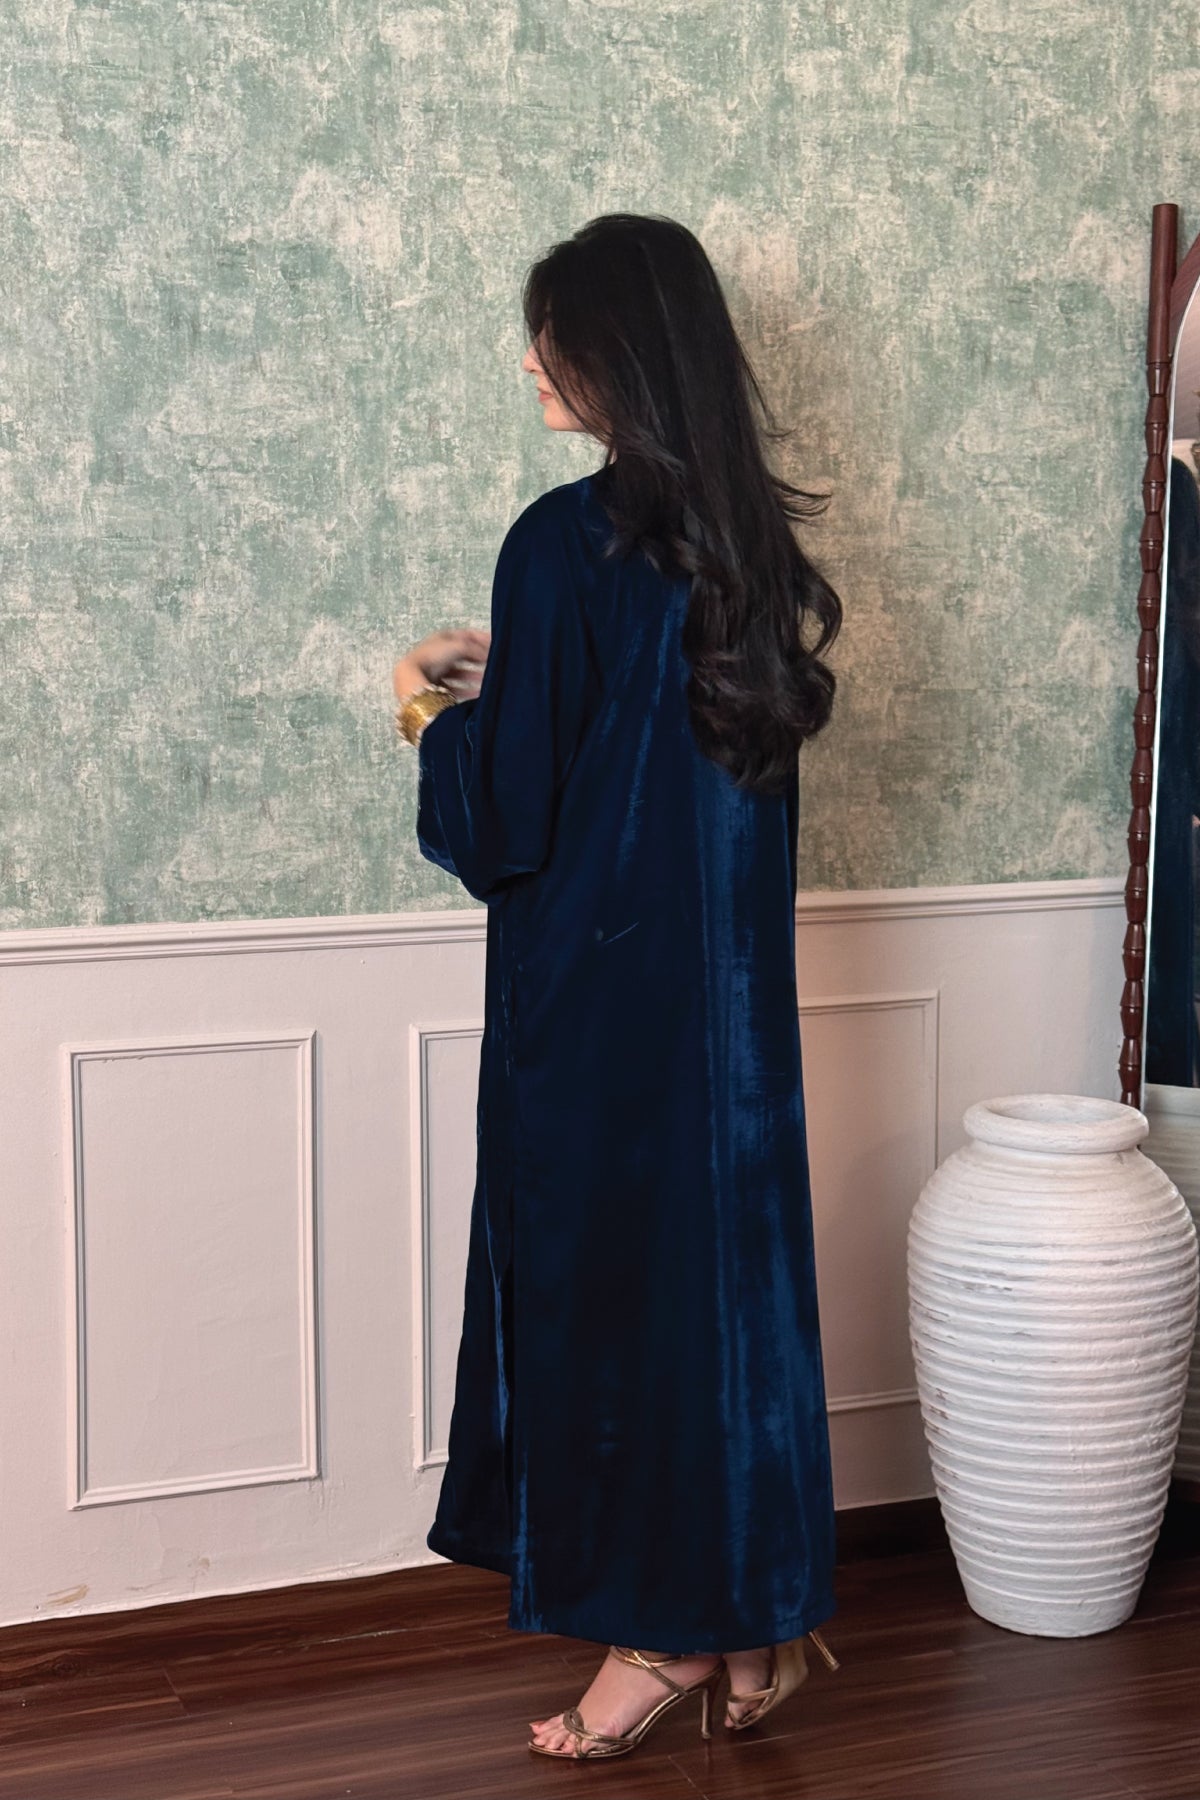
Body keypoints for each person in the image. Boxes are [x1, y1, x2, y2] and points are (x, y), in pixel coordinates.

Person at [392, 213, 844, 1762]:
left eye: (554, 335)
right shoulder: (745, 548)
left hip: (595, 1030)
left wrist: (424, 712)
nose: (532, 361)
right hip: (731, 1038)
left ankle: (661, 1635)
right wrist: (514, 679)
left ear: (618, 354)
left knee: (611, 1328)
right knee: (723, 1320)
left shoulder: (558, 542)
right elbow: (646, 754)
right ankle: (752, 1624)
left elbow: (508, 821)